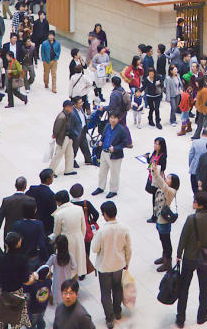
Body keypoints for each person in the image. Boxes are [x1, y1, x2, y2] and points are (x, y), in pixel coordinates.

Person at [175, 191, 207, 328]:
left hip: (189, 257)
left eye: (194, 201)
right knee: (204, 287)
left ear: (199, 205)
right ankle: (202, 315)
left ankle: (181, 318)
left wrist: (178, 255)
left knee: (184, 288)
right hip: (204, 258)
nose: (193, 202)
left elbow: (183, 238)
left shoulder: (191, 219)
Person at [90, 201, 132, 329]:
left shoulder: (101, 231)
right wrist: (127, 262)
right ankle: (117, 311)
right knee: (118, 289)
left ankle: (109, 318)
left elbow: (95, 249)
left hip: (105, 267)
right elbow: (128, 249)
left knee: (106, 293)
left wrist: (94, 236)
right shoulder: (124, 228)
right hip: (119, 265)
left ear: (105, 215)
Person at [0, 231, 37, 329]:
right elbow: (26, 281)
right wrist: (34, 278)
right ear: (18, 243)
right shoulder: (23, 259)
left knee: (2, 319)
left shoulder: (1, 258)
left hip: (3, 293)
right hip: (17, 294)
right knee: (16, 321)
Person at [150, 157, 180, 272]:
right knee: (162, 239)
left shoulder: (170, 191)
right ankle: (164, 257)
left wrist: (156, 171)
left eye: (169, 178)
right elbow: (157, 180)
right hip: (159, 218)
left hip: (164, 220)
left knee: (166, 241)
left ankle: (168, 261)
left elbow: (160, 181)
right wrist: (153, 169)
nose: (166, 179)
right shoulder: (166, 188)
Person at [93, 112, 130, 198]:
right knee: (102, 172)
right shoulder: (107, 126)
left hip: (114, 155)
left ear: (118, 119)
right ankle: (100, 187)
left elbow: (125, 143)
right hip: (104, 152)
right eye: (111, 118)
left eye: (114, 118)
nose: (112, 120)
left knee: (114, 173)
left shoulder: (121, 129)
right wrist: (100, 142)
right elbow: (103, 136)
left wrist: (115, 148)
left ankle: (113, 190)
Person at [52, 190, 89, 279]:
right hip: (78, 238)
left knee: (67, 266)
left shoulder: (59, 214)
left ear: (59, 202)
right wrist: (80, 238)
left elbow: (56, 232)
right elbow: (83, 227)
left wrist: (56, 243)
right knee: (77, 262)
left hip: (66, 241)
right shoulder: (79, 209)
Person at [0, 177, 37, 242]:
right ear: (25, 186)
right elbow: (34, 217)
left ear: (15, 186)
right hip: (25, 232)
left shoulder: (7, 201)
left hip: (10, 232)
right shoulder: (30, 200)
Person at [11, 200, 50, 270]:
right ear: (35, 210)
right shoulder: (38, 224)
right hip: (33, 258)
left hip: (19, 258)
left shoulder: (16, 224)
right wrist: (46, 258)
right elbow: (41, 244)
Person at [45, 235, 79, 306]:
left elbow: (46, 267)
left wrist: (50, 273)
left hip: (57, 284)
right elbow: (74, 266)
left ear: (57, 246)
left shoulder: (54, 257)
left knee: (58, 304)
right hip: (67, 282)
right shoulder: (70, 256)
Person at [51, 100, 78, 177]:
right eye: (70, 106)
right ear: (66, 107)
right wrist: (55, 136)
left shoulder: (69, 114)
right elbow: (56, 129)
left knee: (70, 154)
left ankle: (68, 170)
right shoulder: (62, 116)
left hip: (68, 137)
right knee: (58, 155)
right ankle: (51, 171)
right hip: (63, 138)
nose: (72, 108)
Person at [28, 169, 59, 235]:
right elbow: (53, 213)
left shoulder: (32, 189)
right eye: (52, 177)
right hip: (45, 226)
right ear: (48, 179)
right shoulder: (51, 195)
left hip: (31, 222)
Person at [146, 137, 168, 224]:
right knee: (154, 196)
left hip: (157, 179)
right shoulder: (154, 153)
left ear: (161, 146)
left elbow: (163, 168)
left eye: (157, 144)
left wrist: (154, 167)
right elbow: (151, 163)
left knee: (156, 197)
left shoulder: (163, 156)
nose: (155, 145)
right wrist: (147, 159)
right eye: (154, 143)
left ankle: (155, 215)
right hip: (152, 177)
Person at [24, 265, 54, 329]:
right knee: (40, 320)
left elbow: (24, 288)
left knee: (31, 324)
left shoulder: (33, 285)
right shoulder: (49, 282)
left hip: (33, 309)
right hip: (43, 307)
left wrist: (32, 278)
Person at [166, 64, 183, 131]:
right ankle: (172, 120)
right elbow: (167, 88)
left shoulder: (178, 76)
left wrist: (181, 89)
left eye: (176, 69)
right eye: (175, 70)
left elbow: (180, 84)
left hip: (178, 94)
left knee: (176, 107)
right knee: (173, 107)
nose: (176, 71)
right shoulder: (168, 78)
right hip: (172, 95)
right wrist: (168, 97)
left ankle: (172, 118)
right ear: (171, 71)